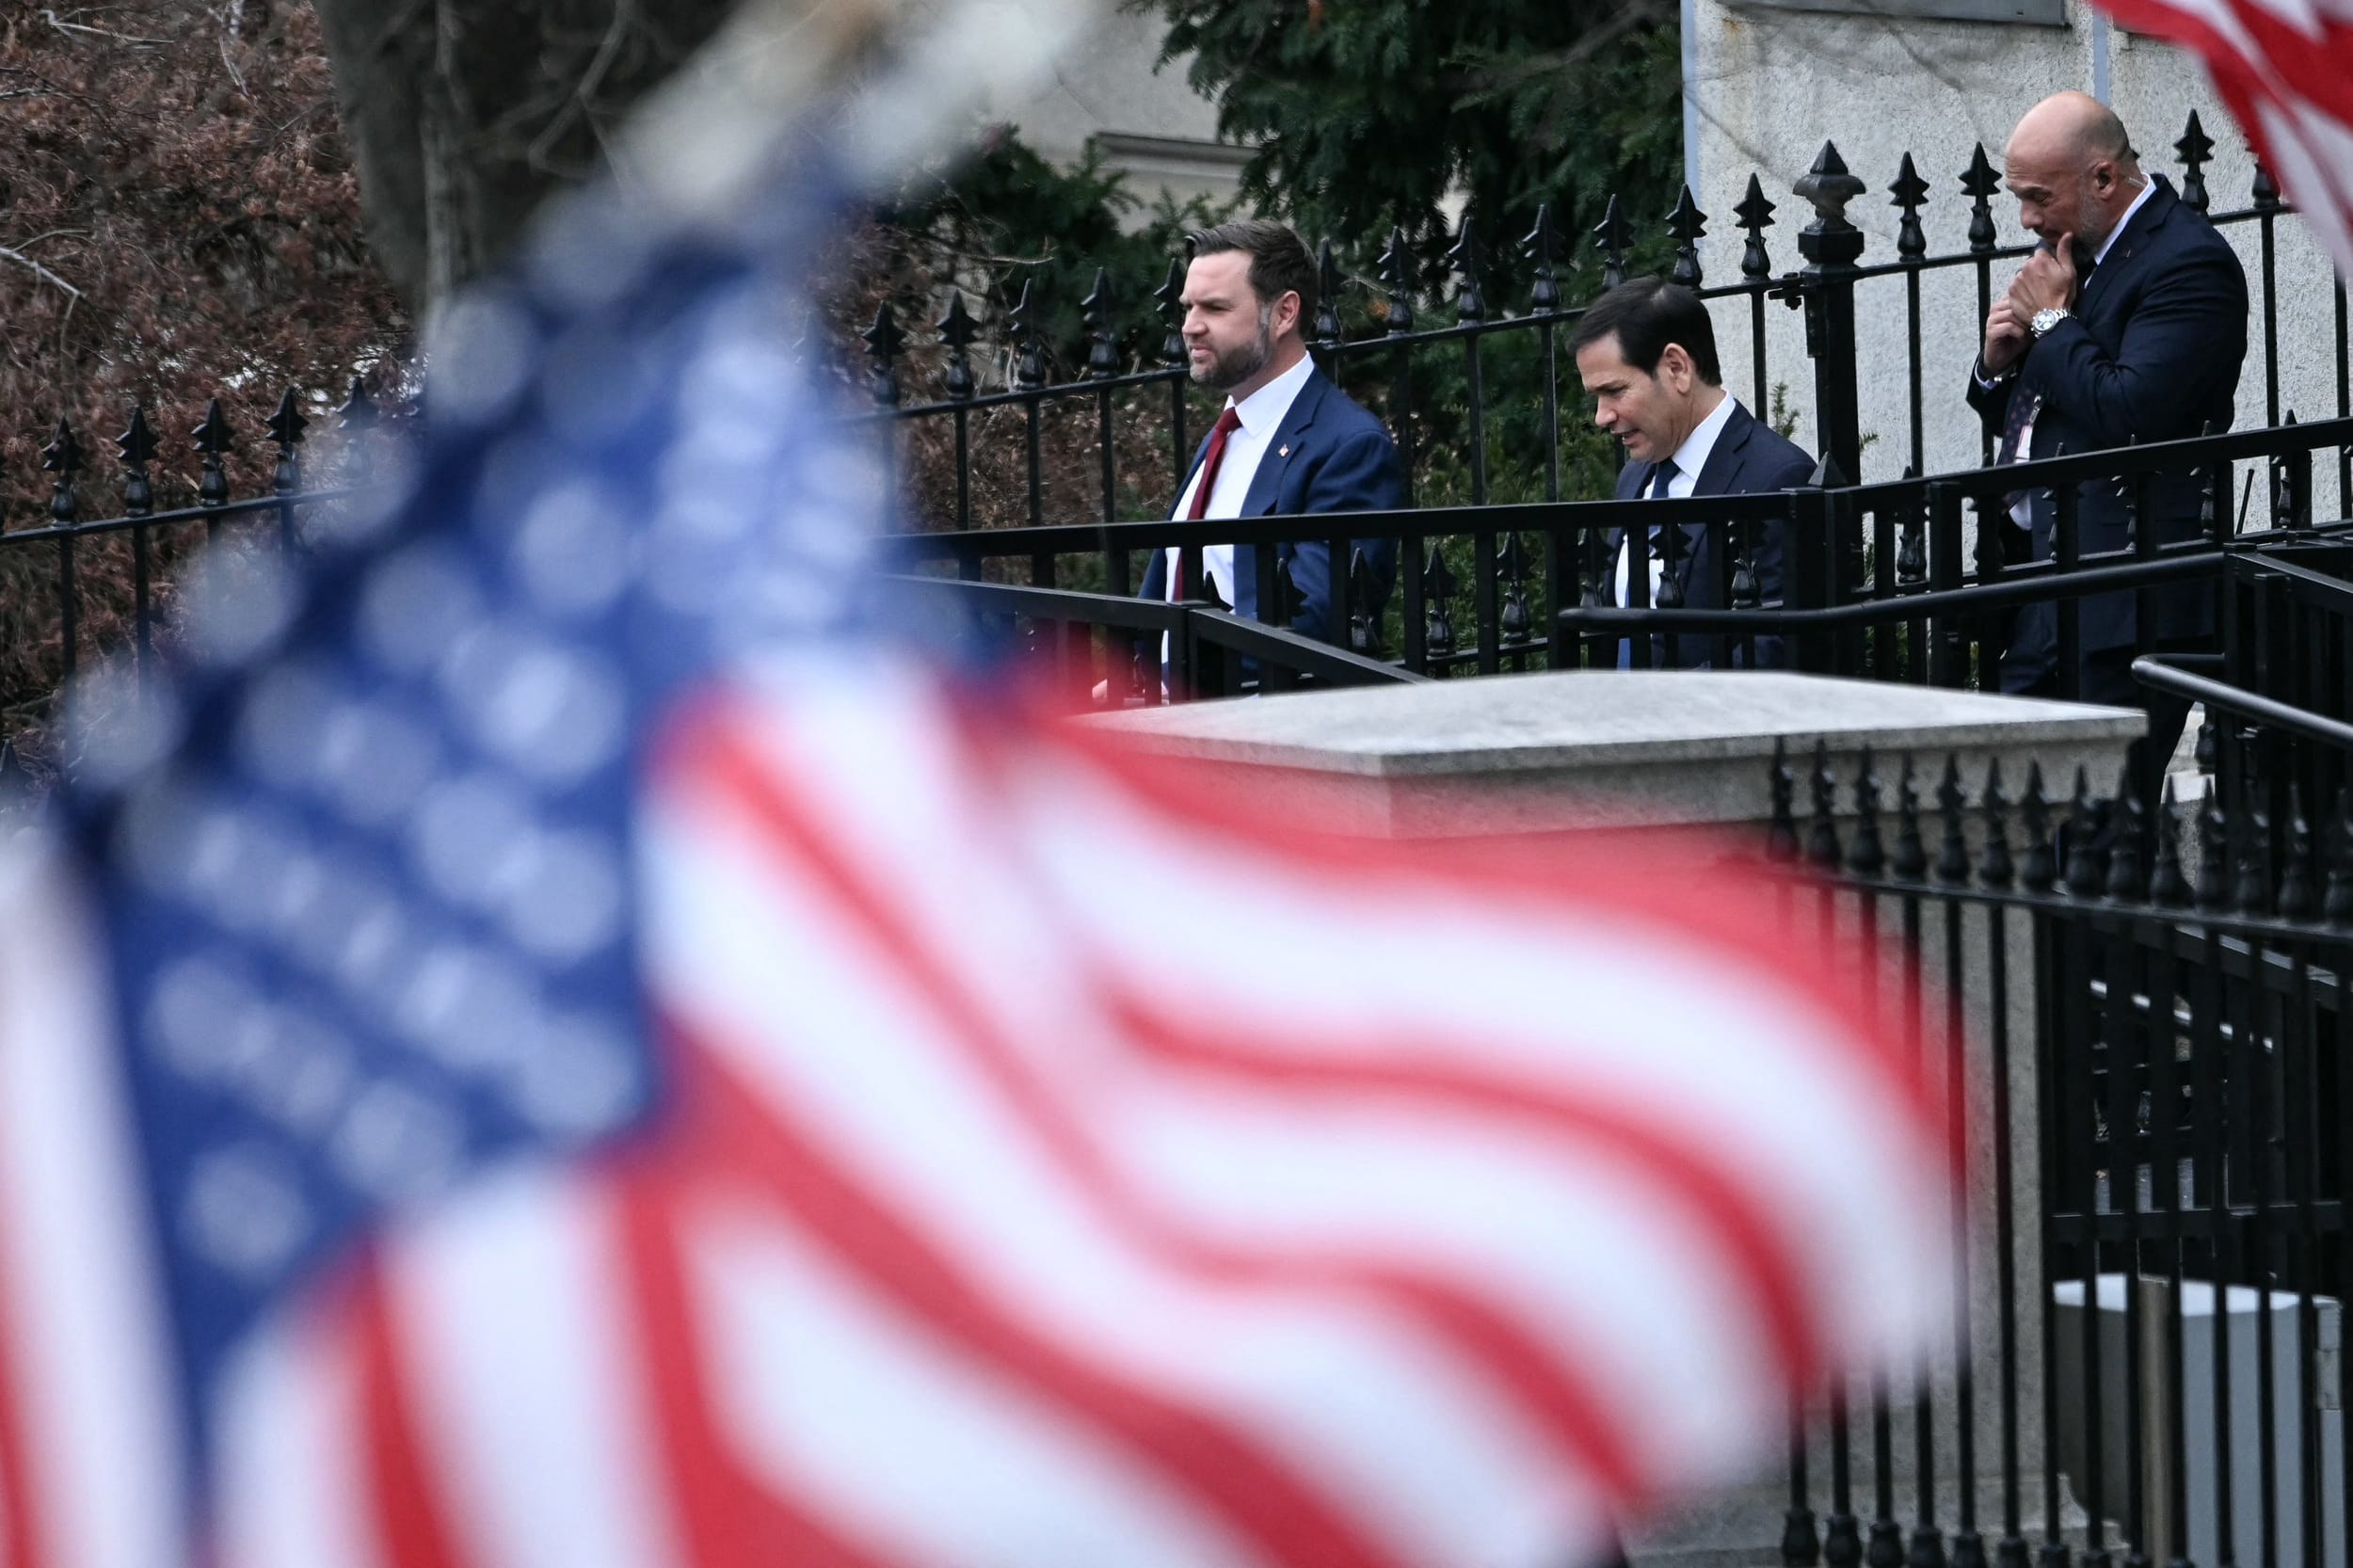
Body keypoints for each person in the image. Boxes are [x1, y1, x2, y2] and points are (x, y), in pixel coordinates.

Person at [1968, 91, 2248, 804]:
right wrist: (1997, 365)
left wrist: (2055, 322)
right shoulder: (2076, 248)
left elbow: (2130, 413)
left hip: (2128, 587)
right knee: (2012, 809)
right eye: (2018, 197)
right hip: (2041, 582)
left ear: (2100, 178)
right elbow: (2047, 405)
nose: (2027, 218)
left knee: (2099, 822)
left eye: (2038, 196)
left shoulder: (2189, 265)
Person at [1137, 219, 1403, 650]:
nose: (1189, 325)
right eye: (1188, 307)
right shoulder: (1226, 432)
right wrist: (1138, 679)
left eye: (1215, 308)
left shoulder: (1351, 447)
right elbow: (1167, 589)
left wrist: (1181, 685)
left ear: (1283, 313)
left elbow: (1313, 625)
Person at [1572, 276, 1814, 668]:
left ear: (1677, 367)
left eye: (1614, 391)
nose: (1602, 417)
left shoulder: (1778, 476)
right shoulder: (1633, 479)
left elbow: (1777, 647)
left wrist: (1669, 715)